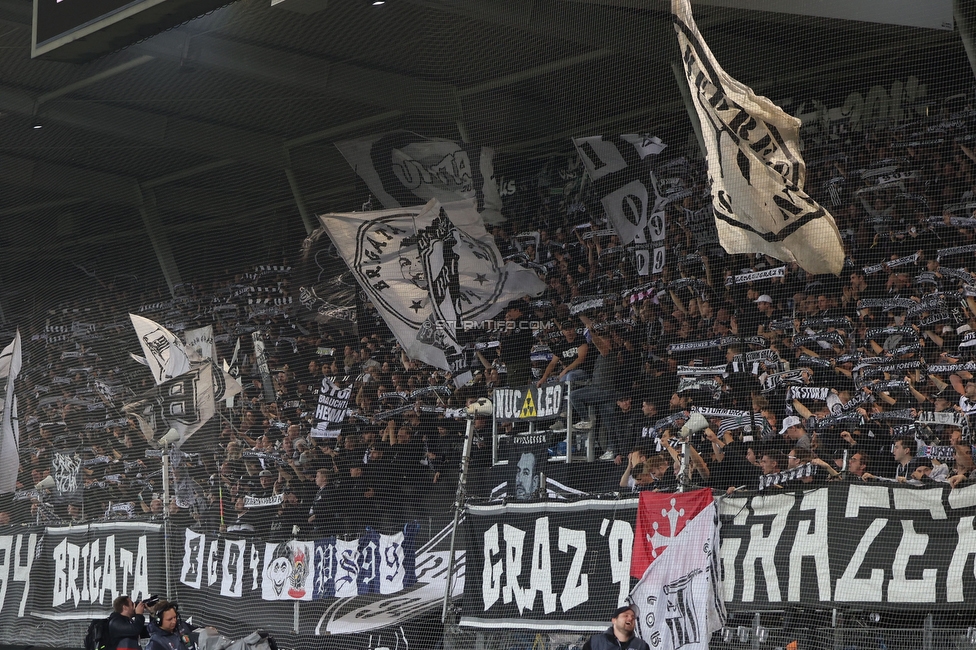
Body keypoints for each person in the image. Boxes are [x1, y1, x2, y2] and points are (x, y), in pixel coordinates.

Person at [582, 604, 650, 650]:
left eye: (633, 617)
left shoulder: (641, 646)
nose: (630, 618)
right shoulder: (595, 642)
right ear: (614, 620)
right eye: (626, 615)